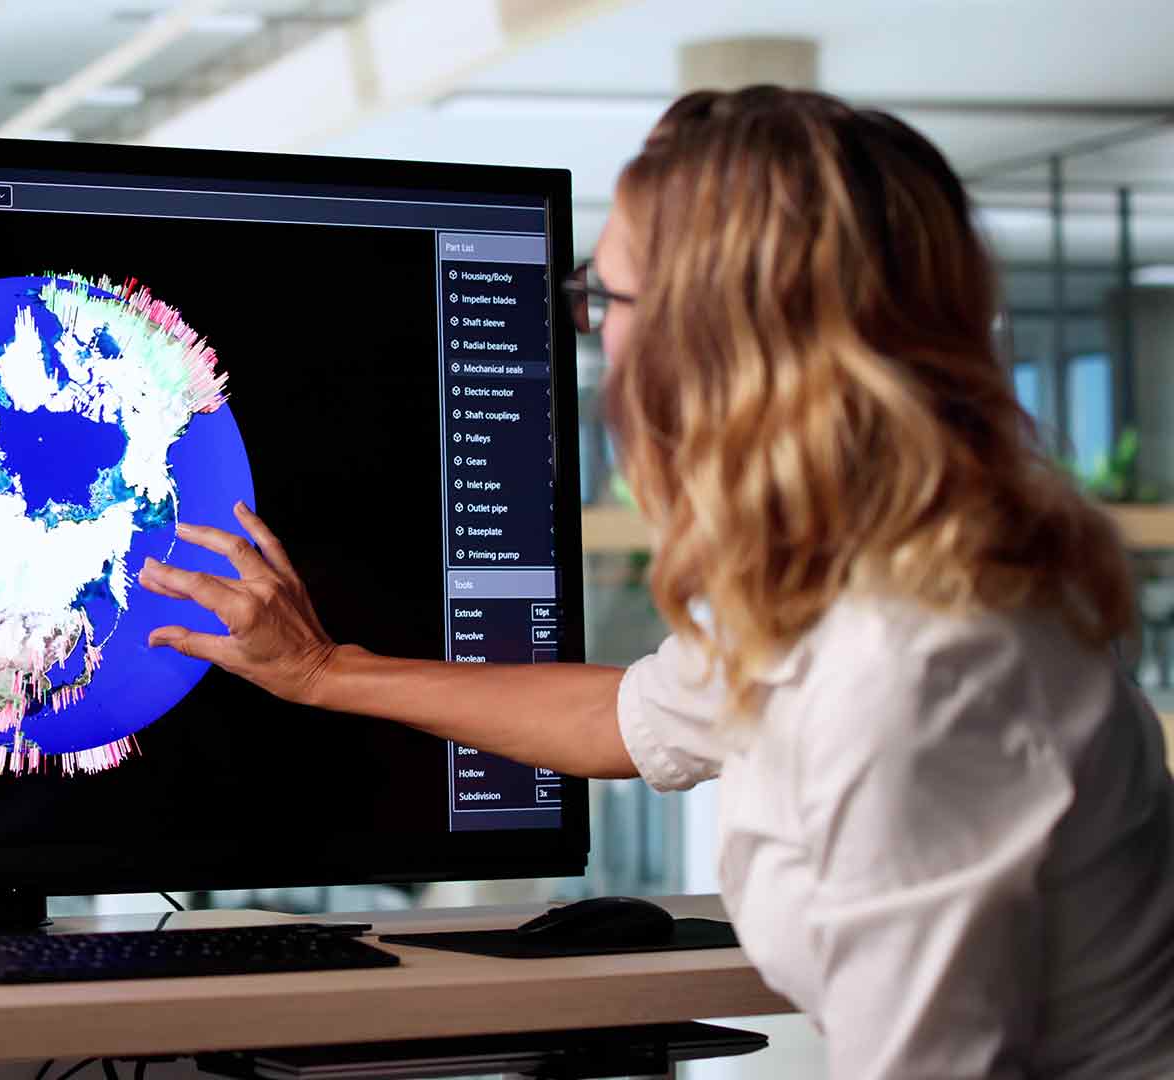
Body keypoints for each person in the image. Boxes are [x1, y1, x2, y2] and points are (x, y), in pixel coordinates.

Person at [137, 87, 1174, 1079]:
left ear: (709, 341)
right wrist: (323, 672)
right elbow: (621, 717)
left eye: (602, 296)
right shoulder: (863, 588)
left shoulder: (908, 678)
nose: (595, 334)